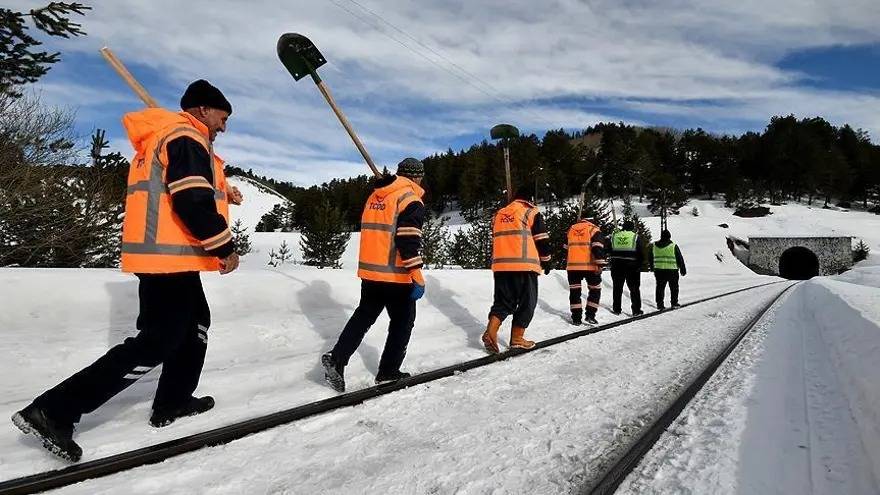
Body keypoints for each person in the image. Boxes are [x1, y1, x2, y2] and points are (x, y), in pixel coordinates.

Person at [11, 80, 241, 462]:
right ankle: (53, 410)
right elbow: (191, 202)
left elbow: (185, 189)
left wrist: (223, 189)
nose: (223, 126)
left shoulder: (166, 136)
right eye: (222, 117)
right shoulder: (185, 137)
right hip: (170, 259)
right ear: (203, 110)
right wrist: (225, 247)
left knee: (194, 325)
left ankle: (173, 401)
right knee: (157, 341)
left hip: (168, 258)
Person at [321, 158, 427, 393]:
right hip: (396, 276)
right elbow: (407, 241)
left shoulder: (376, 196)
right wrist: (417, 275)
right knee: (402, 323)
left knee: (364, 317)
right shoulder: (410, 199)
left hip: (371, 273)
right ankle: (388, 371)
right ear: (417, 177)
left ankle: (337, 358)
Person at [481, 191, 552, 354]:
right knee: (528, 302)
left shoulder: (499, 214)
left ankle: (491, 331)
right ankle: (517, 339)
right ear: (529, 199)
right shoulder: (530, 211)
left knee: (503, 302)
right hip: (524, 265)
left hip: (501, 267)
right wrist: (546, 260)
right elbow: (542, 238)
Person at [565, 216, 607, 325]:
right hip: (590, 266)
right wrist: (600, 264)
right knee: (595, 290)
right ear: (592, 220)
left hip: (573, 267)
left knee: (575, 293)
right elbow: (597, 248)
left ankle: (576, 318)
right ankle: (590, 315)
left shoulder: (571, 229)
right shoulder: (594, 229)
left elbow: (565, 247)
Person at [609, 220, 645, 316]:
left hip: (616, 265)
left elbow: (609, 250)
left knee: (617, 288)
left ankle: (616, 309)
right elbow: (641, 252)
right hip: (632, 266)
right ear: (632, 228)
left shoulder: (615, 236)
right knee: (634, 289)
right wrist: (639, 265)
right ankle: (636, 310)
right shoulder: (635, 236)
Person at [649, 229, 687, 310]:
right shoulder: (673, 246)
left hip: (659, 270)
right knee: (674, 288)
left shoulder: (654, 246)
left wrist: (652, 267)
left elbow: (650, 258)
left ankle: (660, 305)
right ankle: (674, 303)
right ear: (669, 237)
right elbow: (680, 258)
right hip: (672, 271)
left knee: (660, 288)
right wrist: (682, 269)